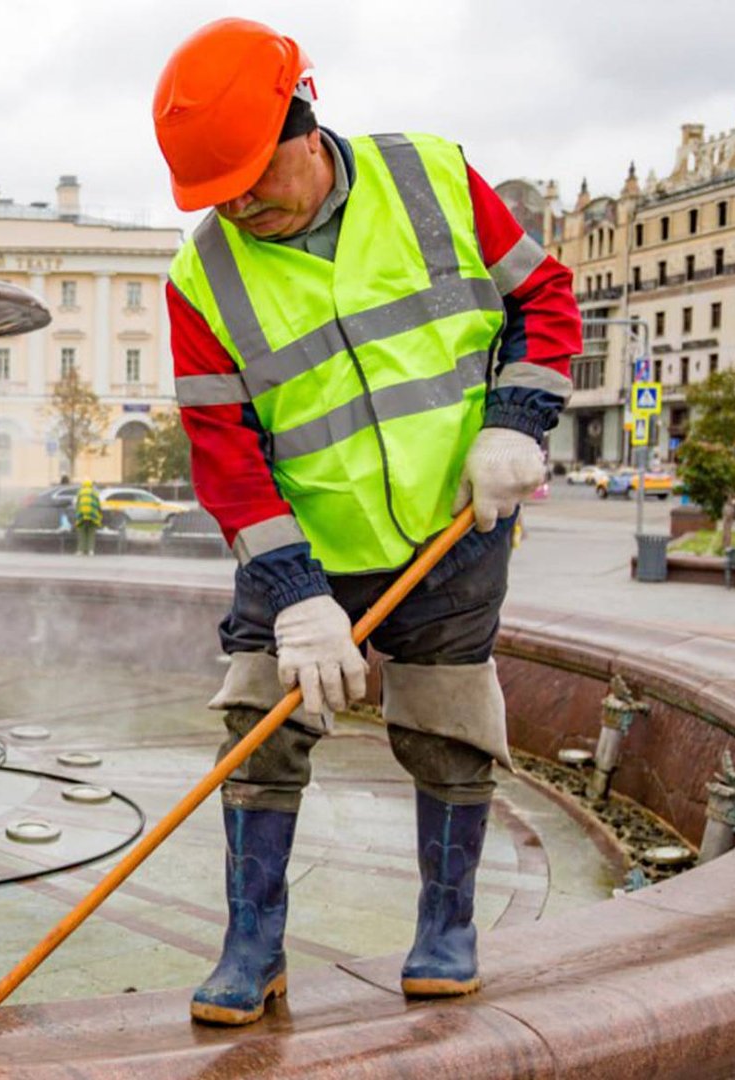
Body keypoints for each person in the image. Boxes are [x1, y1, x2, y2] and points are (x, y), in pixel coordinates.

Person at [153, 19, 580, 1024]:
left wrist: (516, 424)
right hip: (299, 556)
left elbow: (546, 300)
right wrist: (297, 598)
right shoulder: (202, 278)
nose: (240, 209)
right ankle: (252, 945)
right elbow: (225, 455)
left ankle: (446, 927)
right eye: (219, 197)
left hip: (452, 533)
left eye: (254, 180)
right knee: (259, 726)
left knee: (447, 728)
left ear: (306, 124)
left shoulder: (430, 177)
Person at [74, 479, 103, 556]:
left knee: (82, 533)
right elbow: (98, 504)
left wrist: (77, 513)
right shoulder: (94, 492)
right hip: (92, 515)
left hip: (82, 515)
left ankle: (81, 550)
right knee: (91, 533)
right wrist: (99, 514)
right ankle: (91, 551)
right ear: (91, 485)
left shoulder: (80, 492)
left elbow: (77, 504)